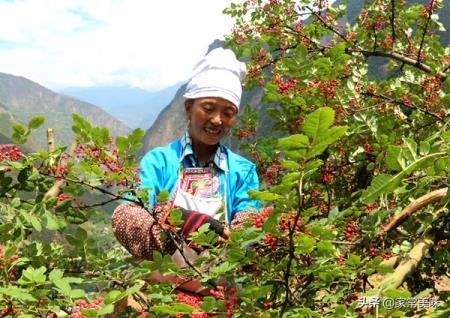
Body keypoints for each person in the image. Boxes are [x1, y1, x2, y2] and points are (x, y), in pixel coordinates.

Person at [111, 47, 259, 292]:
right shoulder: (159, 162)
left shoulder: (242, 171)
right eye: (208, 108)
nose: (217, 120)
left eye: (228, 113)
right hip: (160, 295)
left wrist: (242, 239)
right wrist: (180, 221)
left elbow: (249, 221)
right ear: (188, 107)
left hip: (218, 297)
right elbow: (125, 216)